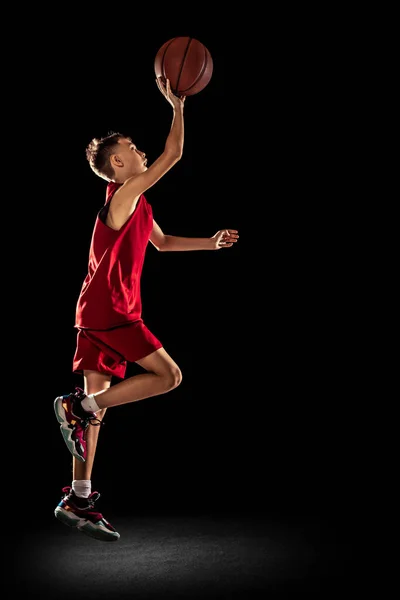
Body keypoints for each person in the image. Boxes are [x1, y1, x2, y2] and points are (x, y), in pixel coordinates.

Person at [53, 77, 239, 542]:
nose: (141, 152)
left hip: (93, 313)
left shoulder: (138, 204)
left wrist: (210, 245)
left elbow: (163, 242)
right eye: (134, 148)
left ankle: (78, 498)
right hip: (113, 312)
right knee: (169, 377)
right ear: (119, 162)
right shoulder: (121, 196)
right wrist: (177, 105)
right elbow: (173, 155)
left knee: (94, 419)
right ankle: (78, 405)